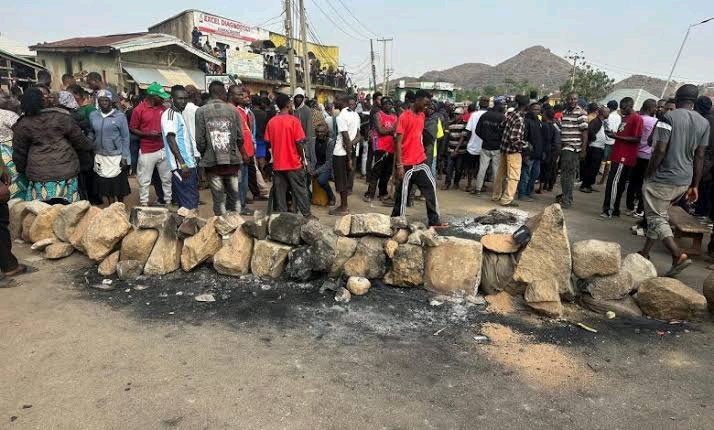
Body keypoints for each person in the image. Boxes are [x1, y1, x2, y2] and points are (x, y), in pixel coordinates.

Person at [638, 84, 710, 277]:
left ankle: (678, 255)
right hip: (684, 179)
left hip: (663, 177)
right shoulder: (704, 123)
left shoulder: (668, 117)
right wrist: (695, 185)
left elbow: (660, 150)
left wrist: (648, 174)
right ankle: (645, 252)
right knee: (659, 213)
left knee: (656, 217)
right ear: (694, 101)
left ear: (677, 98)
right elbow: (700, 155)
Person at [12, 87, 92, 203]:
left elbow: (19, 152)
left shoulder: (23, 124)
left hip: (39, 176)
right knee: (69, 209)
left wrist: (22, 169)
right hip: (66, 172)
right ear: (43, 101)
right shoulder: (61, 117)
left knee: (43, 211)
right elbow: (81, 142)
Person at [391, 90, 445, 227]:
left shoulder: (421, 115)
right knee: (402, 195)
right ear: (418, 100)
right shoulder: (404, 117)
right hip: (407, 164)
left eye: (429, 104)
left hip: (420, 161)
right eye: (425, 103)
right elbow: (398, 142)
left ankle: (434, 221)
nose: (427, 106)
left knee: (430, 189)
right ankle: (396, 221)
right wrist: (399, 165)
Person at [195, 81, 246, 216]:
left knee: (218, 198)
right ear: (221, 93)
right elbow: (240, 137)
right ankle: (235, 223)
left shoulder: (200, 111)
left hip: (212, 163)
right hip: (232, 161)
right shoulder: (233, 110)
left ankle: (221, 224)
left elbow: (200, 140)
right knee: (234, 195)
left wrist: (205, 153)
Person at [264, 93, 312, 217]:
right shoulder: (294, 121)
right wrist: (303, 159)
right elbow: (299, 143)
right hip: (293, 163)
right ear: (288, 105)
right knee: (300, 190)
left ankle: (283, 217)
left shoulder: (271, 122)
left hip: (278, 164)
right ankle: (306, 215)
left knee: (280, 193)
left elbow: (268, 143)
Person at [129, 82, 172, 207]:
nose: (163, 99)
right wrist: (147, 134)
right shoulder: (138, 110)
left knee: (167, 178)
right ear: (153, 96)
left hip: (163, 148)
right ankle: (144, 204)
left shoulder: (163, 109)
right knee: (145, 180)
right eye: (161, 97)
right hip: (147, 149)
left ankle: (168, 201)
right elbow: (132, 128)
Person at [601, 97, 643, 218]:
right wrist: (614, 134)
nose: (622, 110)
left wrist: (617, 137)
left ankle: (608, 209)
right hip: (618, 154)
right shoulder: (625, 118)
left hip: (624, 156)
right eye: (621, 108)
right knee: (617, 184)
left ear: (630, 106)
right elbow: (624, 134)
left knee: (613, 183)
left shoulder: (636, 118)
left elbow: (637, 138)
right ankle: (615, 209)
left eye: (624, 108)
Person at [88, 90, 130, 204]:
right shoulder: (93, 115)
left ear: (111, 101)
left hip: (116, 155)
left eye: (106, 100)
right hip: (100, 155)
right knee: (106, 185)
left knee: (119, 185)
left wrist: (125, 156)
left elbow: (125, 137)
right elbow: (92, 131)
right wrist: (90, 140)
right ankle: (111, 206)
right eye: (101, 100)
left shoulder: (120, 116)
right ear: (98, 102)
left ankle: (120, 205)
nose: (104, 103)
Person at [161, 85, 199, 212]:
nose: (183, 101)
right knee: (189, 203)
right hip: (182, 166)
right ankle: (188, 223)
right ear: (172, 99)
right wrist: (182, 163)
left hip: (188, 164)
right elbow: (171, 140)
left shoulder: (179, 114)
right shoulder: (170, 115)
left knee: (190, 201)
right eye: (180, 99)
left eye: (185, 99)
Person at [492, 95, 529, 207]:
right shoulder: (519, 119)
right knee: (514, 176)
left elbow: (500, 126)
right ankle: (507, 199)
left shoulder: (511, 114)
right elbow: (514, 138)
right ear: (526, 106)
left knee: (500, 174)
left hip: (504, 149)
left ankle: (496, 195)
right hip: (513, 151)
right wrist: (525, 145)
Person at [626, 99, 658, 216]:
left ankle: (629, 206)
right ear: (651, 108)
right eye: (655, 107)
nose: (656, 109)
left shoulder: (637, 119)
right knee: (643, 183)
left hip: (635, 153)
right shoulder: (655, 122)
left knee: (632, 182)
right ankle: (640, 208)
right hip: (648, 156)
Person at [556, 93, 588, 209]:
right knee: (566, 175)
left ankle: (566, 200)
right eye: (570, 99)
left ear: (577, 100)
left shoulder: (581, 113)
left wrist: (583, 150)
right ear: (567, 100)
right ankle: (566, 196)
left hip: (572, 148)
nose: (572, 101)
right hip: (564, 148)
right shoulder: (564, 112)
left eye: (574, 99)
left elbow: (585, 133)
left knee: (567, 176)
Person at [228, 85, 256, 215]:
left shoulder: (240, 111)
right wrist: (244, 153)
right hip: (240, 154)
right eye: (239, 95)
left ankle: (239, 204)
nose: (242, 97)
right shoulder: (233, 111)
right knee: (240, 181)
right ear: (231, 95)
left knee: (242, 180)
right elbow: (237, 136)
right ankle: (240, 206)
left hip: (245, 152)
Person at [330, 96, 360, 215]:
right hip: (350, 151)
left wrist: (349, 157)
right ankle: (344, 205)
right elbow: (358, 136)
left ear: (343, 102)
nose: (334, 102)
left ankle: (343, 207)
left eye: (336, 100)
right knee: (346, 179)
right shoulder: (355, 115)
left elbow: (346, 138)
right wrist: (351, 149)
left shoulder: (341, 116)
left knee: (341, 181)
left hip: (341, 153)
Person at [364, 97, 396, 201]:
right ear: (382, 105)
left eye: (389, 104)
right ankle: (370, 193)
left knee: (386, 172)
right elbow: (380, 130)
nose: (388, 106)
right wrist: (391, 131)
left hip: (391, 147)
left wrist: (389, 130)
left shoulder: (395, 117)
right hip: (380, 147)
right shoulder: (378, 115)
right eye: (385, 104)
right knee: (376, 170)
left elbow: (396, 130)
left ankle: (383, 192)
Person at [473, 101, 506, 196]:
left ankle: (478, 189)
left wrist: (485, 138)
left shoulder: (485, 115)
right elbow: (504, 133)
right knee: (496, 170)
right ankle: (496, 191)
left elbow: (477, 130)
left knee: (482, 169)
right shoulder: (502, 117)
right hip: (497, 147)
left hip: (485, 146)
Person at [518, 103, 545, 201]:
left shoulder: (538, 121)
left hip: (537, 153)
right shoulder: (526, 121)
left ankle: (528, 192)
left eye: (538, 109)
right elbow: (523, 138)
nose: (536, 111)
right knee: (525, 174)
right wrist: (526, 152)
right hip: (529, 153)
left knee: (535, 174)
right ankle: (522, 194)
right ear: (530, 109)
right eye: (534, 109)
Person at [580, 106, 610, 193]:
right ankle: (585, 185)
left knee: (595, 168)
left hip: (599, 148)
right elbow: (589, 131)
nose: (608, 114)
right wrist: (594, 138)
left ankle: (589, 184)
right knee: (590, 167)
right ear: (602, 113)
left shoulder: (601, 122)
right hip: (594, 148)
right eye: (607, 112)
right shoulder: (596, 121)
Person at [461, 97, 489, 192]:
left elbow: (468, 131)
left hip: (473, 145)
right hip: (485, 145)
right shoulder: (489, 115)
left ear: (479, 104)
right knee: (482, 167)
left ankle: (469, 185)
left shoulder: (473, 115)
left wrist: (468, 142)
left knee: (471, 167)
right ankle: (481, 185)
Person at [537, 108, 561, 193]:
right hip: (555, 149)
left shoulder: (544, 125)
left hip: (548, 150)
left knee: (545, 168)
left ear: (546, 115)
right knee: (552, 168)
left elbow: (545, 139)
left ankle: (543, 187)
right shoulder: (556, 125)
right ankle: (549, 186)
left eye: (543, 114)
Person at [443, 107, 467, 190]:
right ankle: (447, 183)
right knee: (449, 168)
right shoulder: (450, 124)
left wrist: (456, 149)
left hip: (460, 150)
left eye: (457, 114)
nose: (456, 116)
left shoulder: (465, 124)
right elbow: (447, 136)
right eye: (455, 114)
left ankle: (456, 183)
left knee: (458, 168)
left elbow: (463, 137)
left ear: (461, 115)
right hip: (451, 149)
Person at [599, 100, 622, 185]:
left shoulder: (608, 116)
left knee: (602, 160)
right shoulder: (619, 117)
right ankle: (604, 178)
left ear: (610, 108)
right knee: (608, 161)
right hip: (614, 140)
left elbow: (606, 128)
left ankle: (601, 177)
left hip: (606, 140)